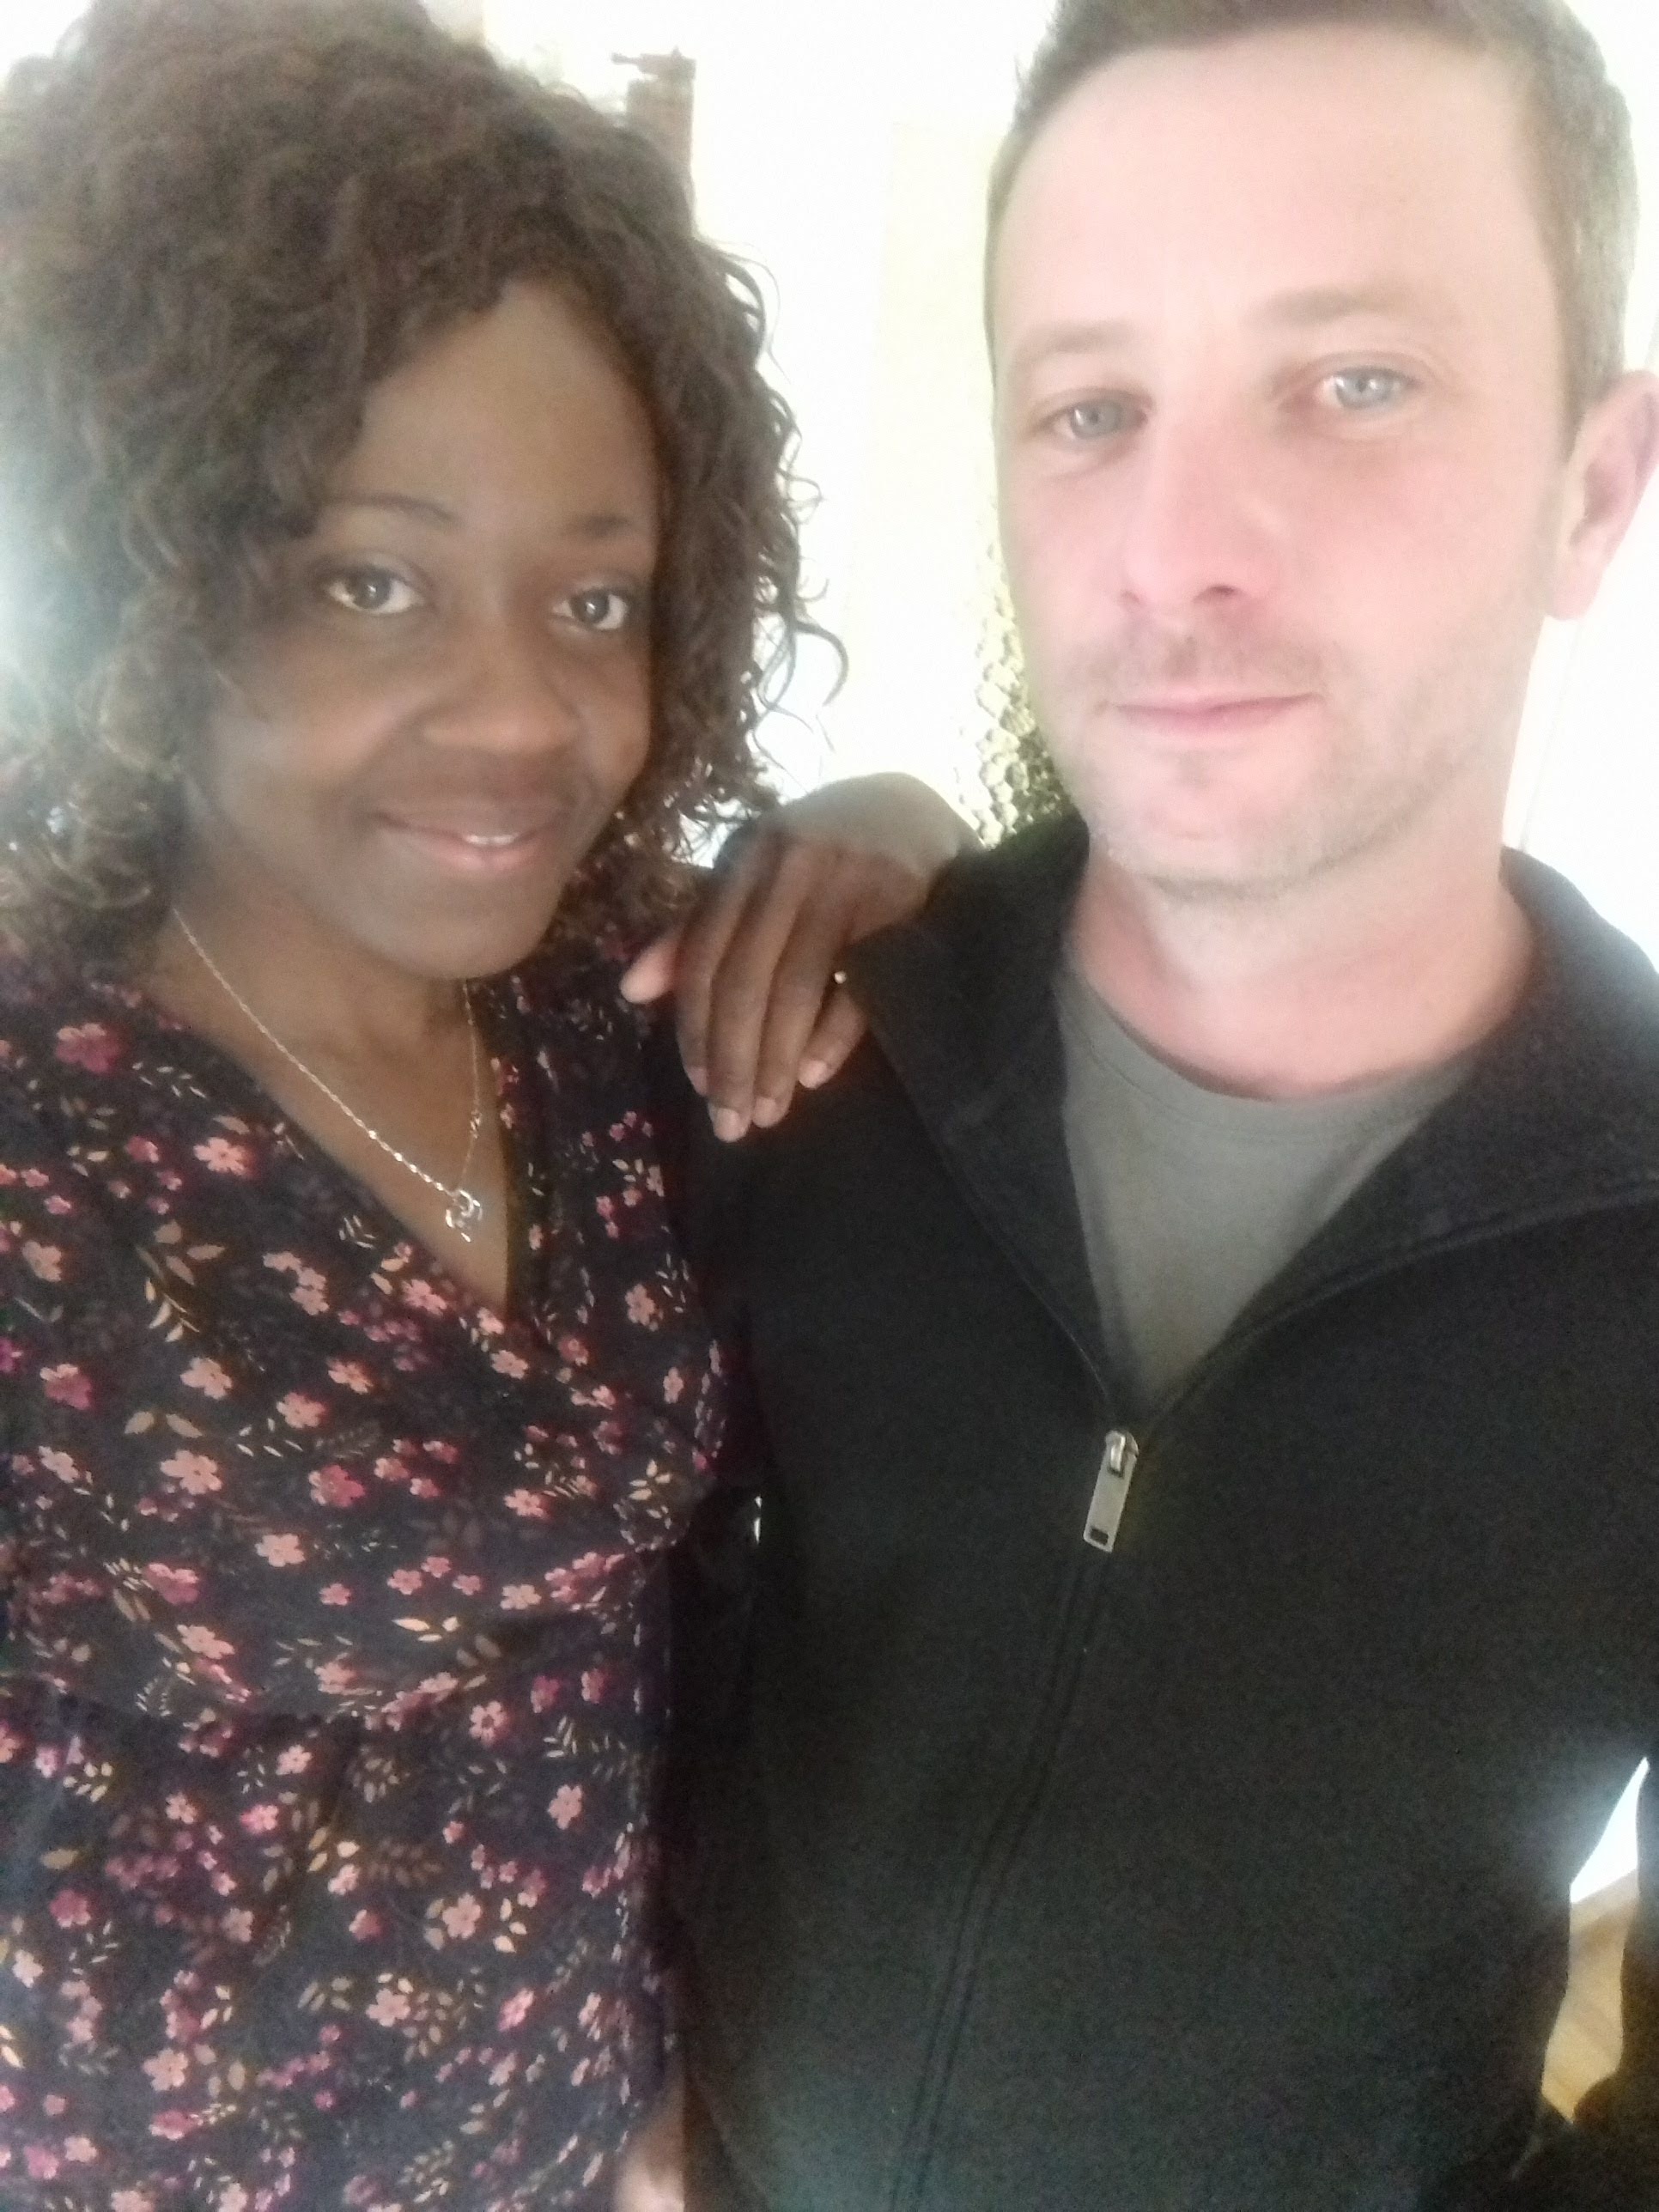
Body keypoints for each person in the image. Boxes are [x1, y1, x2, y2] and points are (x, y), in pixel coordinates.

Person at [667, 3, 1659, 2207]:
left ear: (1589, 491)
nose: (1175, 547)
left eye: (1354, 383)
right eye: (1091, 409)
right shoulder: (793, 1049)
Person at [0, 3, 970, 2206]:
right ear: (159, 575)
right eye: (372, 582)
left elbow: (596, 1695)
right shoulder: (45, 1148)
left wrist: (879, 823)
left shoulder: (595, 1010)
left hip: (585, 2137)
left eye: (594, 596)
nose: (522, 709)